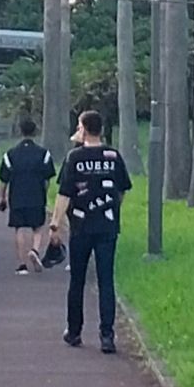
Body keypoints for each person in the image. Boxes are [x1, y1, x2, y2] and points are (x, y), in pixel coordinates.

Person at [59, 109, 133, 353]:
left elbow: (65, 194)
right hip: (107, 225)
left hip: (81, 227)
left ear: (83, 128)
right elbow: (122, 190)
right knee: (106, 280)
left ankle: (74, 330)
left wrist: (55, 223)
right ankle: (107, 335)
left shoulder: (74, 158)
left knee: (77, 280)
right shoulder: (113, 156)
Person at [0, 123, 54, 274]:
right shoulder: (44, 154)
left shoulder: (10, 154)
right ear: (35, 132)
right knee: (38, 227)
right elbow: (48, 179)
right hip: (37, 195)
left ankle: (22, 264)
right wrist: (44, 192)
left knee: (19, 229)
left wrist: (2, 198)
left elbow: (4, 180)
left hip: (17, 197)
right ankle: (35, 250)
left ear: (20, 131)